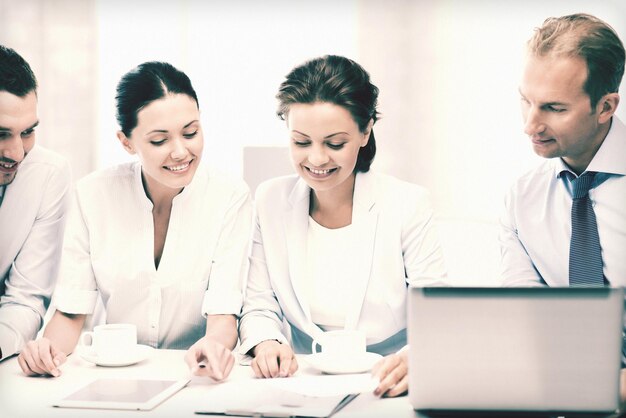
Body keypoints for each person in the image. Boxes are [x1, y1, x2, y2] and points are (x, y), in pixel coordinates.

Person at [17, 62, 252, 380]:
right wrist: (45, 352)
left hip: (193, 375)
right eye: (160, 141)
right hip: (111, 376)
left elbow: (224, 316)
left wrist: (211, 348)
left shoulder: (229, 196)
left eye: (191, 132)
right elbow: (72, 312)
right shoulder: (92, 195)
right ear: (126, 142)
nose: (181, 151)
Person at [238, 55, 447, 397]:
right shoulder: (269, 199)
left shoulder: (407, 204)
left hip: (385, 378)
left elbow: (436, 308)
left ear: (365, 132)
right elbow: (259, 301)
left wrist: (415, 358)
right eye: (301, 142)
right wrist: (266, 341)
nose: (317, 159)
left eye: (335, 144)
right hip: (299, 381)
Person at [499, 13, 625, 393]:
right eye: (526, 101)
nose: (530, 125)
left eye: (554, 108)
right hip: (559, 394)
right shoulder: (522, 198)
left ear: (605, 107)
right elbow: (520, 319)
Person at [0, 45, 71, 361]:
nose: (16, 154)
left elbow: (25, 298)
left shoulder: (47, 175)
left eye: (27, 132)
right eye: (1, 134)